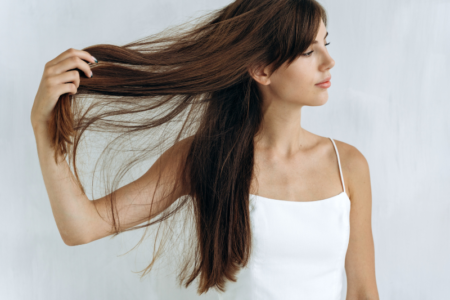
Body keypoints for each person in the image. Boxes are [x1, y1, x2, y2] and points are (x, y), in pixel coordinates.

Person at [30, 0, 379, 299]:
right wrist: (43, 126)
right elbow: (82, 227)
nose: (328, 61)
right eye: (308, 51)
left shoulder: (347, 165)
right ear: (261, 69)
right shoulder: (207, 158)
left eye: (325, 43)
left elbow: (363, 293)